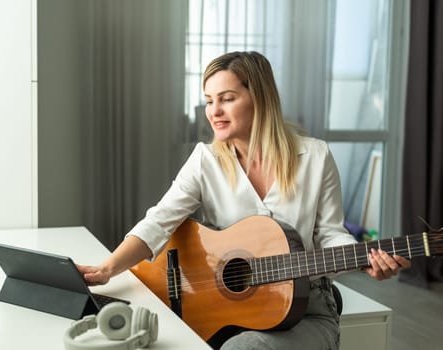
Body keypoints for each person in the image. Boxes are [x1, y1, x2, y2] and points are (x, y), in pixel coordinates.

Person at [77, 51, 411, 350]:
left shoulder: (316, 156)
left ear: (260, 98)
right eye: (209, 100)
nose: (213, 111)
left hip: (305, 311)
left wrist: (365, 260)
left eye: (227, 98)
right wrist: (107, 268)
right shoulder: (205, 159)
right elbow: (159, 221)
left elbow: (330, 234)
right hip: (226, 308)